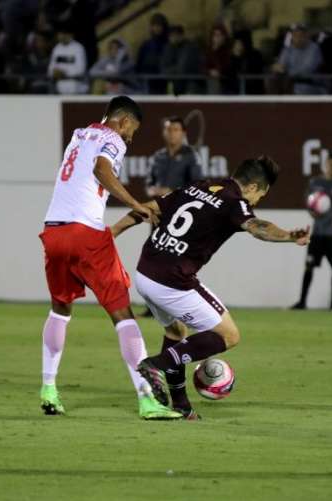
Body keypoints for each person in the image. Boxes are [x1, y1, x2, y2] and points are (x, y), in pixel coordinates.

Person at [110, 156, 310, 419]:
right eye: (260, 195)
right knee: (229, 335)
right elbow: (257, 228)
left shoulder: (199, 186)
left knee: (176, 331)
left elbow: (150, 208)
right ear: (251, 187)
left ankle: (181, 406)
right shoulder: (234, 202)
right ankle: (156, 365)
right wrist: (287, 236)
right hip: (172, 281)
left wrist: (112, 231)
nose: (257, 202)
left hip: (145, 272)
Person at [38, 96, 180, 421]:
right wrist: (136, 203)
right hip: (86, 235)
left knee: (60, 309)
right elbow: (101, 170)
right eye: (134, 130)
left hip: (54, 232)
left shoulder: (79, 134)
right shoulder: (113, 138)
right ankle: (148, 400)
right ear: (125, 121)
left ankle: (49, 388)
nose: (132, 138)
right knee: (123, 315)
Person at [291, 152, 332, 311]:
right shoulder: (315, 183)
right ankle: (302, 302)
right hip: (318, 232)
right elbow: (309, 204)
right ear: (325, 164)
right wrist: (312, 211)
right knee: (309, 266)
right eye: (331, 164)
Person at [145, 116, 203, 198]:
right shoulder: (157, 157)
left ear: (183, 133)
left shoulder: (192, 156)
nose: (171, 133)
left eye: (175, 130)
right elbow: (149, 185)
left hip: (181, 206)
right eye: (168, 130)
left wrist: (170, 191)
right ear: (163, 132)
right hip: (158, 206)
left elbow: (197, 186)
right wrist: (152, 190)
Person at [272, 23, 325, 95]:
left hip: (310, 84)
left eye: (301, 35)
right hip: (290, 83)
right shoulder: (288, 49)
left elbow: (307, 69)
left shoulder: (314, 48)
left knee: (292, 86)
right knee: (274, 79)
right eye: (295, 35)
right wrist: (277, 67)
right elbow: (280, 65)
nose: (298, 38)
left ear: (307, 36)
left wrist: (287, 73)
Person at [48, 26, 88, 94]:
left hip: (76, 86)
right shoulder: (57, 48)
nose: (61, 37)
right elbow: (50, 69)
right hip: (60, 87)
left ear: (70, 35)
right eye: (59, 34)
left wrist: (64, 72)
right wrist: (54, 72)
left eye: (63, 34)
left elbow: (81, 70)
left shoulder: (78, 48)